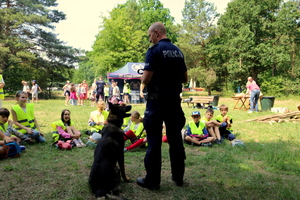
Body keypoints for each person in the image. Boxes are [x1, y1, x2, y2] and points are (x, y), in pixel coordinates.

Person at [136, 22, 188, 190]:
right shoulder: (178, 52)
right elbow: (185, 78)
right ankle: (178, 177)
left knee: (154, 142)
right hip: (174, 102)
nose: (149, 38)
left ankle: (152, 181)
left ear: (157, 33)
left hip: (156, 102)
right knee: (175, 141)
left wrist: (146, 79)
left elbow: (145, 79)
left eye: (150, 35)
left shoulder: (154, 51)